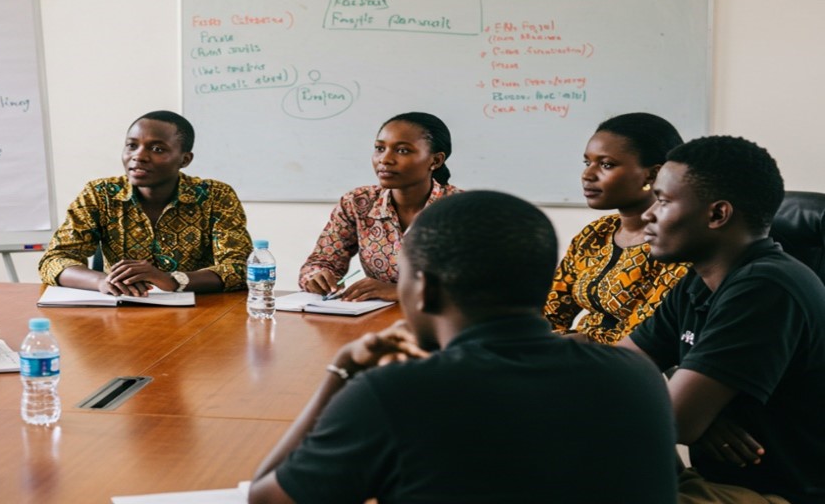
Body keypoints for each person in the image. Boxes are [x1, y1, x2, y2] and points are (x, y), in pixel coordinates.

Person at [250, 191, 678, 504]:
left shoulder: (395, 392)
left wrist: (342, 373)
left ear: (423, 289)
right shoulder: (636, 375)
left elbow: (267, 499)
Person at [620, 136, 825, 504]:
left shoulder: (766, 287)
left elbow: (674, 422)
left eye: (663, 201)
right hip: (715, 484)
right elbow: (618, 367)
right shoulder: (698, 282)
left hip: (777, 495)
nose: (648, 214)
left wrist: (686, 416)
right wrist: (697, 417)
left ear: (717, 215)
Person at [37, 110, 253, 296]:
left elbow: (240, 268)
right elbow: (54, 260)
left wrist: (172, 280)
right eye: (132, 145)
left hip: (201, 313)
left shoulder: (215, 196)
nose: (139, 156)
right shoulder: (100, 194)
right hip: (122, 311)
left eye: (157, 149)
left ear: (185, 159)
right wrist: (101, 281)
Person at [544, 112, 690, 344]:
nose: (587, 175)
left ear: (652, 174)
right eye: (587, 163)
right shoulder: (596, 233)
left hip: (629, 360)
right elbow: (550, 312)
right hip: (571, 353)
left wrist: (567, 344)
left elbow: (643, 337)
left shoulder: (675, 246)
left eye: (606, 165)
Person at [298, 112, 461, 302]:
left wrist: (401, 292)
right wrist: (317, 277)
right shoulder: (358, 203)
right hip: (375, 316)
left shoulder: (463, 210)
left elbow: (485, 284)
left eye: (402, 150)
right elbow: (320, 262)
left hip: (443, 317)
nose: (385, 159)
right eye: (379, 148)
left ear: (436, 160)